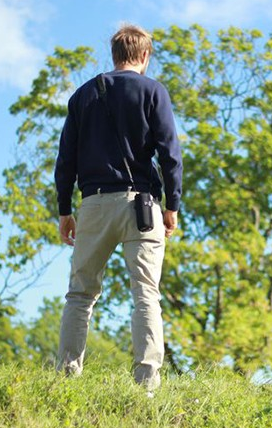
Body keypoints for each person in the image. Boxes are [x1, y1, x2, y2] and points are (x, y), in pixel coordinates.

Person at [54, 24, 182, 394]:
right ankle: (146, 383)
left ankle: (67, 378)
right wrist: (171, 205)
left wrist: (65, 209)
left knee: (80, 294)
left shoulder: (83, 95)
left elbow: (66, 159)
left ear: (114, 55)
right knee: (145, 293)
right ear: (145, 55)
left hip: (93, 204)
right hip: (141, 206)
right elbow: (170, 155)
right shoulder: (153, 91)